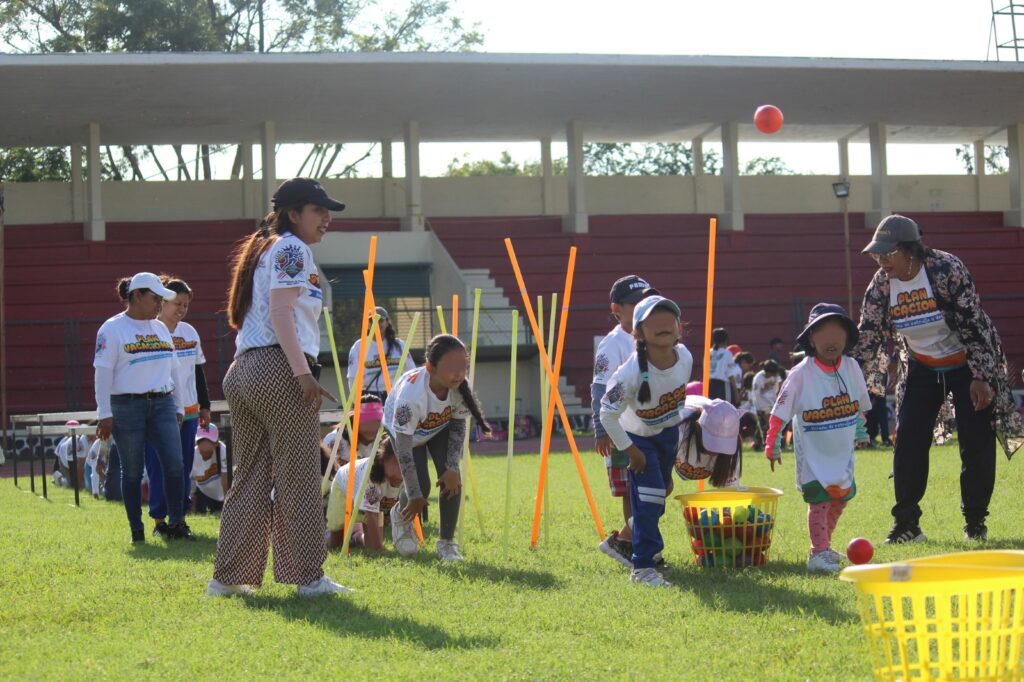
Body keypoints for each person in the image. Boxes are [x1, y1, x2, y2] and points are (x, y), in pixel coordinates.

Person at [210, 177, 349, 598]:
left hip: (244, 369)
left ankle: (228, 578)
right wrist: (302, 374)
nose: (326, 219)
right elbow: (282, 311)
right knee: (300, 475)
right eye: (318, 210)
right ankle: (308, 578)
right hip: (279, 368)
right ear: (293, 213)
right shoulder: (292, 248)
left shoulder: (265, 248)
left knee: (249, 477)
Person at [853, 214, 1024, 544]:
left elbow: (973, 324)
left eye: (888, 253)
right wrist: (854, 384)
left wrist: (981, 377)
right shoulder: (881, 284)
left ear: (910, 250)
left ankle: (975, 523)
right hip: (922, 365)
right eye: (877, 254)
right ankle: (906, 525)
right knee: (908, 441)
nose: (881, 260)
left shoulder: (945, 269)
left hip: (967, 364)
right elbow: (869, 335)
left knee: (976, 442)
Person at [765, 303, 870, 573]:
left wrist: (860, 430)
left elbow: (858, 403)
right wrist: (772, 443)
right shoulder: (801, 374)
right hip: (812, 454)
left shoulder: (852, 367)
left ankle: (825, 546)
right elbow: (780, 412)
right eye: (822, 333)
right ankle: (818, 553)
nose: (831, 340)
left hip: (841, 453)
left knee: (841, 498)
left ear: (847, 338)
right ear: (811, 339)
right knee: (819, 500)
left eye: (838, 333)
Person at [600, 295, 693, 587]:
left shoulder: (686, 356)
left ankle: (621, 540)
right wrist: (630, 450)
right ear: (637, 332)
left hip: (667, 434)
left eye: (670, 318)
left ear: (680, 327)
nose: (663, 324)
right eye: (653, 319)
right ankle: (642, 568)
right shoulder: (628, 374)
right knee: (651, 500)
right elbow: (606, 414)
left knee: (659, 494)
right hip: (639, 440)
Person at [94, 272, 189, 544]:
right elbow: (102, 373)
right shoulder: (112, 329)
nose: (160, 304)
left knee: (175, 465)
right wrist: (105, 414)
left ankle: (176, 524)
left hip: (162, 404)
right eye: (155, 298)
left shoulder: (160, 328)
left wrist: (179, 406)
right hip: (126, 406)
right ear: (137, 296)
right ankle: (137, 530)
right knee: (133, 471)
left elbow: (174, 369)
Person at [383, 334, 491, 563]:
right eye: (451, 367)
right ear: (430, 368)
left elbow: (458, 426)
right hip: (407, 436)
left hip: (438, 427)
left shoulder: (460, 387)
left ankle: (447, 543)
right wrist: (414, 494)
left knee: (453, 479)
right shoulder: (411, 398)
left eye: (462, 365)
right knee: (420, 485)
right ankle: (400, 517)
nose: (459, 373)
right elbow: (403, 450)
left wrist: (452, 467)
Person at [592, 274, 654, 565]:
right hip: (621, 429)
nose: (643, 306)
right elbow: (600, 386)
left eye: (647, 300)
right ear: (617, 308)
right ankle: (635, 547)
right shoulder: (612, 344)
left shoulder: (654, 334)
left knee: (656, 486)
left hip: (651, 426)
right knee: (631, 491)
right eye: (635, 303)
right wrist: (601, 429)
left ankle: (630, 542)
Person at [144, 276, 211, 538]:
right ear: (162, 302)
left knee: (182, 466)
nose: (181, 310)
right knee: (159, 465)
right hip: (159, 411)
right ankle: (159, 521)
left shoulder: (189, 333)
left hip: (189, 411)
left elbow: (198, 370)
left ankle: (179, 519)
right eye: (176, 304)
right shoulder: (148, 331)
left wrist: (204, 405)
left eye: (185, 305)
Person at [326, 437, 404, 551]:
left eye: (405, 465)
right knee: (335, 545)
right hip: (344, 489)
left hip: (373, 505)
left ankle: (357, 537)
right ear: (382, 460)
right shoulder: (372, 476)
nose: (401, 473)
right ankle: (323, 538)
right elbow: (371, 514)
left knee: (371, 544)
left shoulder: (407, 474)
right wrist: (379, 550)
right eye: (396, 464)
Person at [347, 307, 416, 402]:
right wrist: (355, 402)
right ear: (367, 325)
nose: (376, 324)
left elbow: (412, 372)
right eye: (372, 321)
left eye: (380, 320)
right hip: (369, 396)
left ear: (387, 323)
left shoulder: (399, 345)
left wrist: (411, 396)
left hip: (395, 393)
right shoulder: (359, 346)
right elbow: (352, 377)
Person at [673, 396, 743, 487]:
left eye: (723, 443)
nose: (717, 449)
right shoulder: (678, 430)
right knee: (665, 486)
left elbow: (730, 491)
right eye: (714, 440)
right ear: (699, 429)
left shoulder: (733, 444)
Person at [191, 424, 228, 513]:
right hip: (203, 493)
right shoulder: (192, 455)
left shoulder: (222, 450)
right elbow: (191, 483)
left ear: (216, 443)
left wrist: (227, 503)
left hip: (221, 495)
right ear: (197, 443)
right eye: (202, 451)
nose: (205, 453)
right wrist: (191, 505)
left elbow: (225, 479)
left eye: (208, 452)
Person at [752, 360, 784, 459]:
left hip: (772, 404)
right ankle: (766, 446)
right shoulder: (758, 378)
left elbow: (779, 386)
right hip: (762, 405)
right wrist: (765, 410)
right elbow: (758, 396)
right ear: (767, 372)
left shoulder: (775, 376)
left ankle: (757, 444)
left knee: (763, 425)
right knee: (765, 427)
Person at [708, 328, 732, 402]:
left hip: (710, 383)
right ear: (726, 340)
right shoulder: (727, 353)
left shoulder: (709, 352)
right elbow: (730, 374)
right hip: (722, 385)